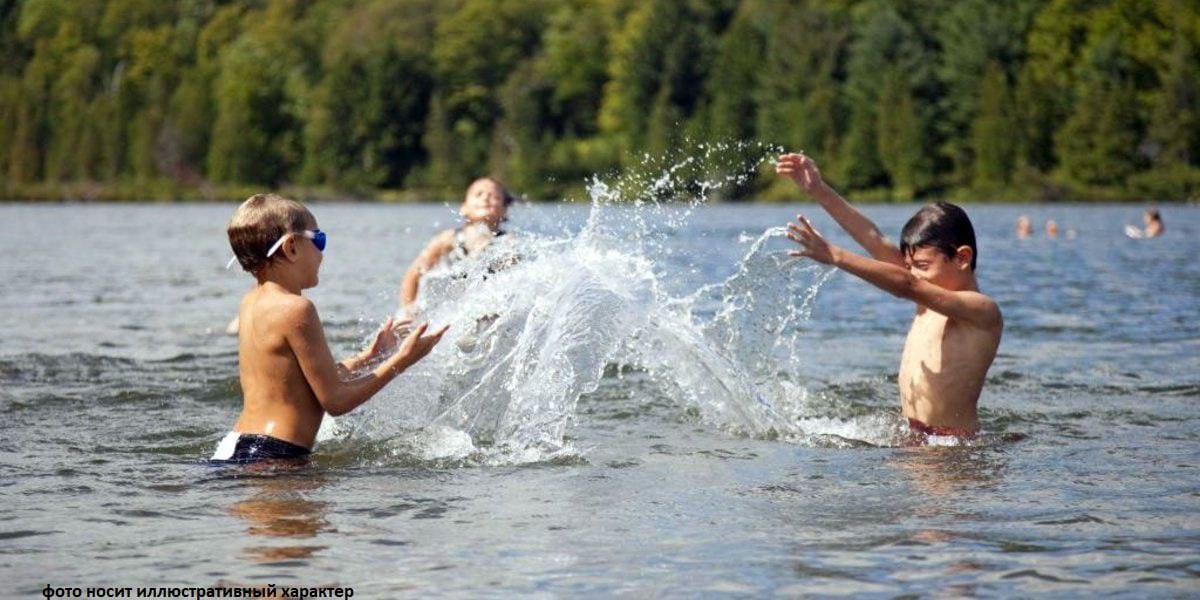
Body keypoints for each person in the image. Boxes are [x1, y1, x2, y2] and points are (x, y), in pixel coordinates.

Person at [776, 153, 1003, 440]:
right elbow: (873, 238)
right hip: (913, 439)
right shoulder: (927, 297)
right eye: (910, 266)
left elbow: (907, 284)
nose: (914, 273)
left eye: (922, 266)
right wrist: (819, 190)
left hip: (952, 449)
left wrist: (835, 255)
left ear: (962, 258)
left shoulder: (981, 311)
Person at [214, 193, 448, 463]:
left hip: (236, 445)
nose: (322, 253)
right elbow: (336, 401)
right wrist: (403, 360)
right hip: (274, 457)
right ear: (291, 247)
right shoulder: (296, 309)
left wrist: (367, 358)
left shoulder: (251, 302)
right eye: (319, 240)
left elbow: (300, 385)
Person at [399, 177, 514, 318]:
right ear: (463, 207)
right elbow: (414, 273)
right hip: (451, 308)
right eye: (478, 194)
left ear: (504, 210)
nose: (486, 198)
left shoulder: (507, 242)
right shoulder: (448, 239)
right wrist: (408, 311)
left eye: (495, 196)